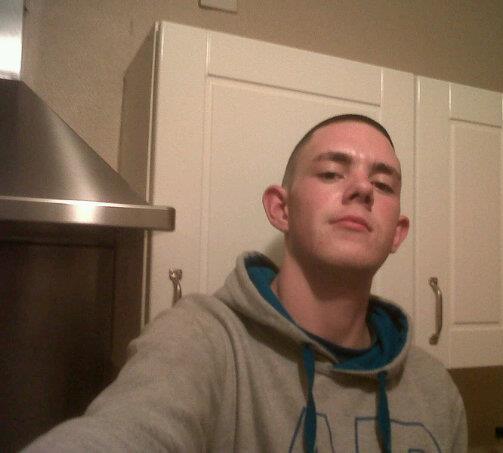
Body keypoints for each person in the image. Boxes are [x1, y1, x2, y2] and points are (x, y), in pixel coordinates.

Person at [25, 114, 467, 452]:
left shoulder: (434, 390)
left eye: (383, 184)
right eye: (332, 173)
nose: (362, 189)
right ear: (281, 209)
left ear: (397, 233)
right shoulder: (202, 341)